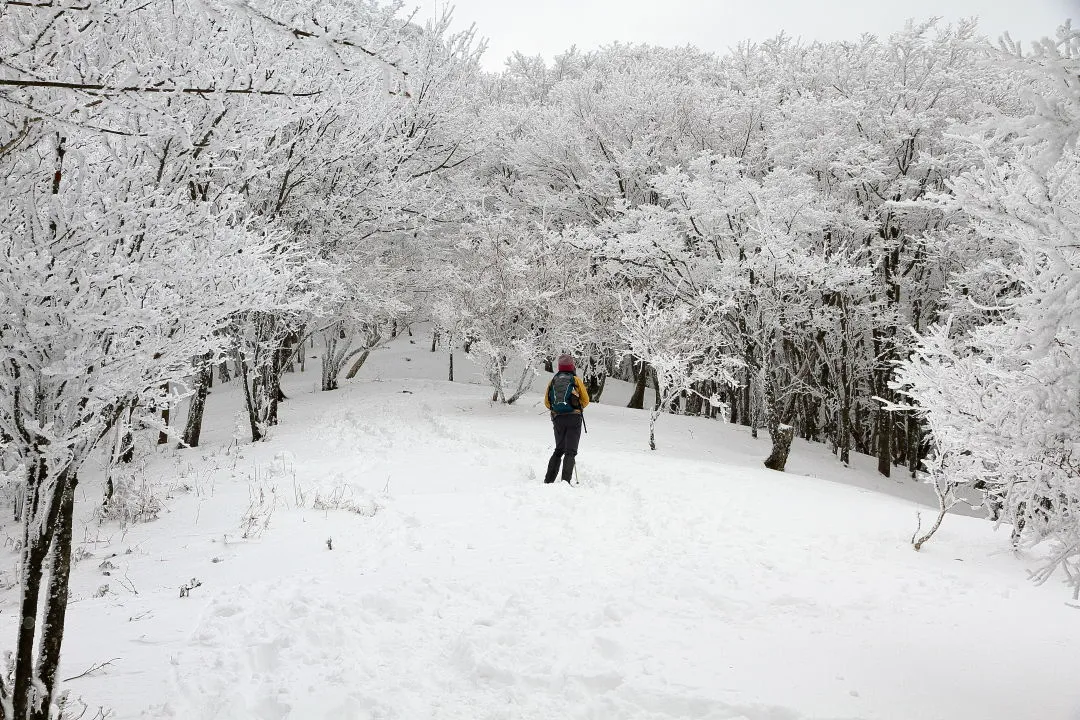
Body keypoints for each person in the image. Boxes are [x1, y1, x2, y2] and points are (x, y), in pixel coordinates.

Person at [543, 353, 590, 484]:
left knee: (559, 450)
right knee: (571, 451)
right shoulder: (575, 380)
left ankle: (548, 480)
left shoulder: (553, 380)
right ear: (572, 366)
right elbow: (586, 400)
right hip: (574, 418)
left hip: (558, 418)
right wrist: (576, 407)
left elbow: (547, 402)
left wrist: (557, 410)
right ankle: (565, 482)